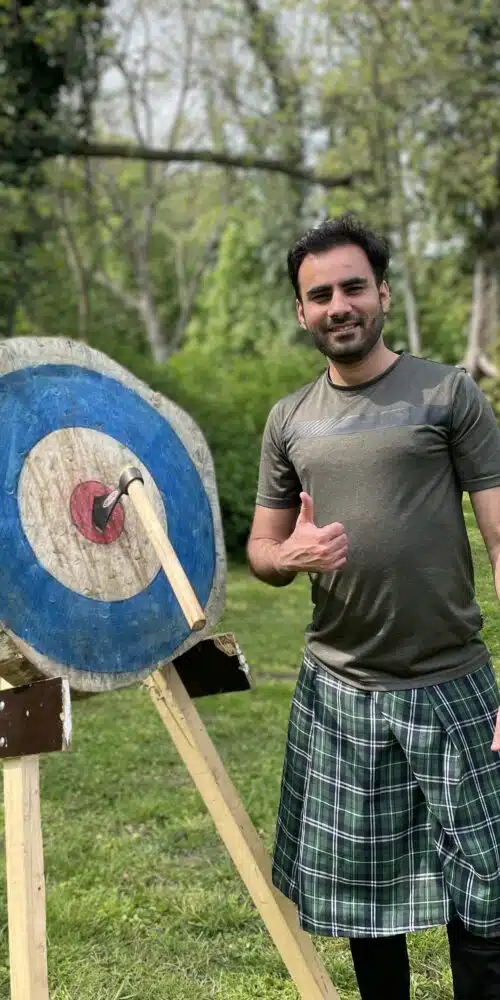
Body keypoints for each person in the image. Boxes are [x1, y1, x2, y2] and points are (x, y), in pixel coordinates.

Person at [246, 214, 500, 1000]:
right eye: (320, 295)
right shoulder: (290, 420)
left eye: (353, 287)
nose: (339, 305)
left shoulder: (448, 394)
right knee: (367, 902)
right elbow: (262, 551)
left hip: (451, 680)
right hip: (342, 691)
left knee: (487, 892)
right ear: (301, 311)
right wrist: (287, 557)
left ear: (383, 294)